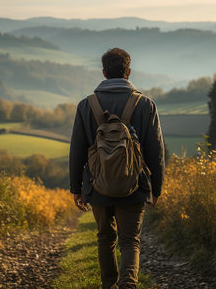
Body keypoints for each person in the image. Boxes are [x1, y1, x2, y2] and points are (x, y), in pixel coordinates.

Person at [69, 47, 165, 289]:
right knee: (130, 241)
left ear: (103, 72)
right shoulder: (145, 105)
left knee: (104, 239)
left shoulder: (86, 105)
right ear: (129, 72)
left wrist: (76, 188)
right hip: (134, 185)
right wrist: (157, 188)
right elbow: (156, 152)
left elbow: (77, 150)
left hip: (97, 184)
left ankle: (109, 285)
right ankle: (128, 285)